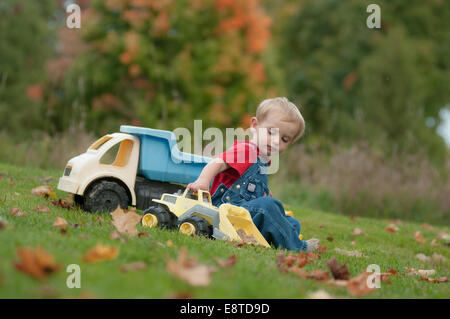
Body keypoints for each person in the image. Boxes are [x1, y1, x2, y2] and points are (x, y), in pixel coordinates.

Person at [187, 97, 320, 252]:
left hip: (245, 214)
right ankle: (299, 248)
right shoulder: (246, 150)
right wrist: (202, 181)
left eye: (284, 139)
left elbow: (257, 190)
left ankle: (273, 238)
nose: (276, 141)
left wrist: (267, 197)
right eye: (271, 132)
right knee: (270, 207)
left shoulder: (263, 160)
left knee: (292, 222)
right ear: (255, 125)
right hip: (226, 211)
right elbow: (218, 162)